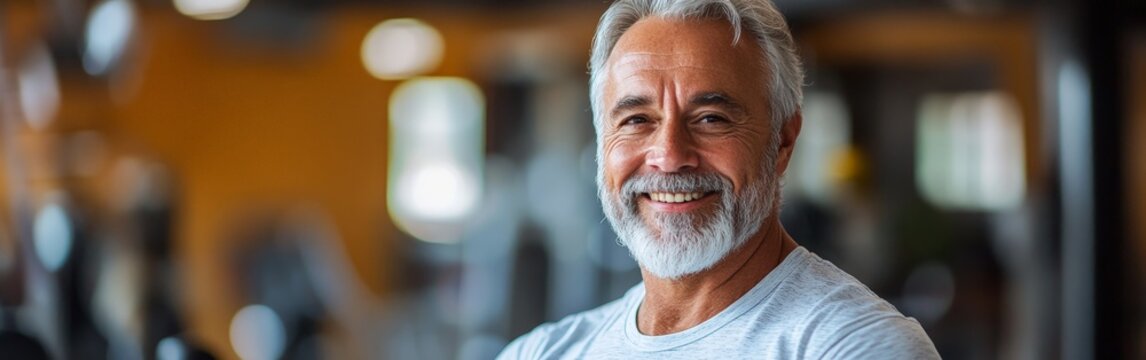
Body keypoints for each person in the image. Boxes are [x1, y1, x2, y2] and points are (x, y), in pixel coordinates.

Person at [498, 0, 940, 358]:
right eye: (636, 120)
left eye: (711, 118)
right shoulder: (541, 352)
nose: (669, 156)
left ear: (783, 141)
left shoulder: (853, 347)